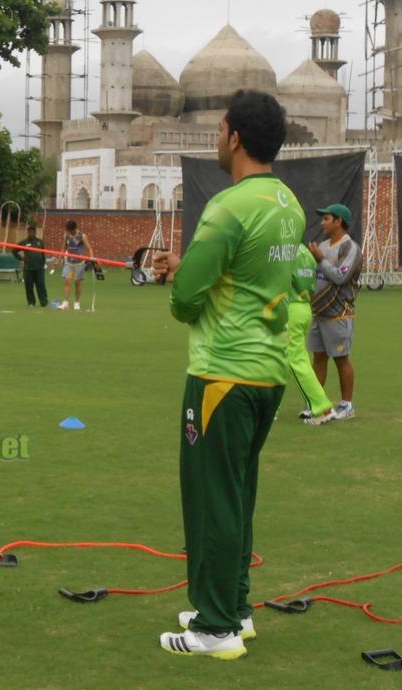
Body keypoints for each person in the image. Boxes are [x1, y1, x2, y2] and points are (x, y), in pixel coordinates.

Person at [152, 89, 304, 660]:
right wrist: (187, 265)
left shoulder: (229, 205)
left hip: (222, 376)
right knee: (237, 495)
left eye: (219, 130)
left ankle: (214, 629)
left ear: (235, 136)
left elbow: (188, 299)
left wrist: (179, 282)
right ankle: (234, 609)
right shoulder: (287, 203)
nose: (217, 139)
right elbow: (240, 274)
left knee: (213, 498)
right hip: (266, 376)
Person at [308, 203, 362, 421]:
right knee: (318, 358)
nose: (322, 223)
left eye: (326, 219)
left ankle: (347, 405)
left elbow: (341, 276)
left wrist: (320, 259)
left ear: (339, 221)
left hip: (339, 313)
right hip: (318, 312)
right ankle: (317, 402)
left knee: (341, 359)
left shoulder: (350, 248)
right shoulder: (322, 244)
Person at [289, 243, 335, 425]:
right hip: (304, 307)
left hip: (289, 308)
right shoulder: (305, 252)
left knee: (296, 359)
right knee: (283, 358)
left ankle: (321, 406)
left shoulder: (284, 251)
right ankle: (269, 407)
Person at [58, 221, 93, 310]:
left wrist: (92, 258)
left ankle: (77, 303)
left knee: (77, 283)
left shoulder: (82, 236)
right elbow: (63, 248)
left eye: (72, 231)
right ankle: (65, 303)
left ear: (75, 228)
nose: (70, 232)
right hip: (69, 263)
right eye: (69, 231)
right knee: (67, 281)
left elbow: (89, 248)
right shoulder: (66, 236)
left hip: (79, 263)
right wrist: (58, 259)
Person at [13, 222, 48, 306]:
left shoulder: (40, 242)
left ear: (35, 233)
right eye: (30, 232)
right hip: (28, 268)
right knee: (29, 286)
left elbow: (43, 254)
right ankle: (31, 302)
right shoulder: (23, 242)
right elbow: (14, 251)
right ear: (28, 233)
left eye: (33, 232)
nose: (32, 234)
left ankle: (44, 302)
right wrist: (21, 259)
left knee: (41, 285)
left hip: (39, 268)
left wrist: (43, 264)